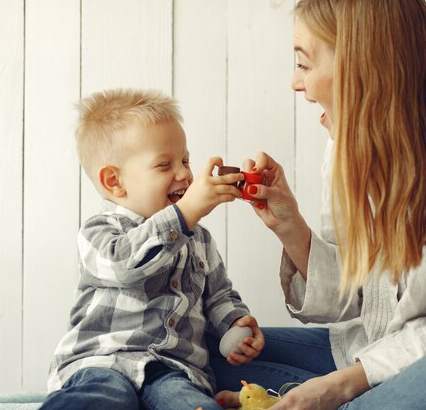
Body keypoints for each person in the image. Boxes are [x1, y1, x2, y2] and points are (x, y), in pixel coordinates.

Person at [211, 0, 426, 409]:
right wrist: (290, 227)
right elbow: (359, 300)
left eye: (303, 63)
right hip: (383, 357)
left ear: (361, 68)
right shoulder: (349, 147)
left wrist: (339, 386)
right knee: (212, 351)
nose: (295, 82)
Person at [39, 88, 265, 410]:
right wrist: (184, 215)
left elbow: (219, 296)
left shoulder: (199, 239)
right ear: (115, 182)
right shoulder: (100, 231)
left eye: (186, 160)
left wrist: (235, 323)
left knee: (191, 404)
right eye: (164, 165)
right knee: (100, 399)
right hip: (104, 363)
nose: (185, 173)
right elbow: (124, 264)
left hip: (176, 370)